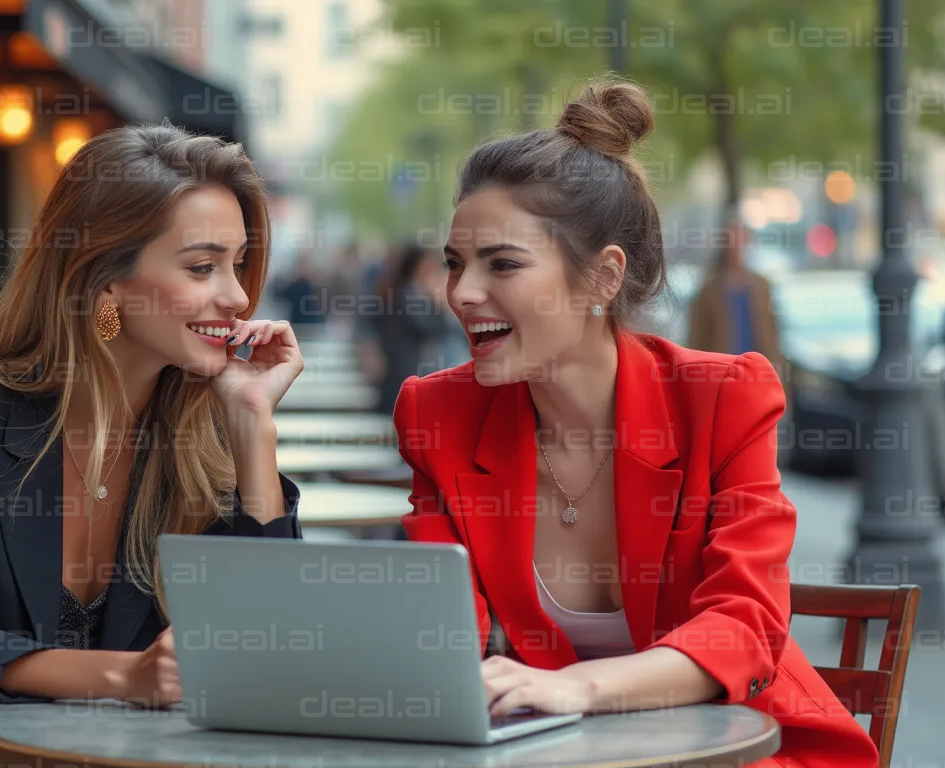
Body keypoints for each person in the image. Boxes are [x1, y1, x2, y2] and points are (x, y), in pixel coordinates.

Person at [393, 79, 877, 767]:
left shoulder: (723, 399)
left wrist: (575, 686)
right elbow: (441, 635)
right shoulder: (436, 414)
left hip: (730, 750)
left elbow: (744, 626)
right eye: (454, 264)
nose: (463, 293)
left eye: (502, 263)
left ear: (602, 278)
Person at [0, 124, 306, 768]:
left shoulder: (210, 425)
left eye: (239, 263)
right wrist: (122, 676)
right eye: (203, 267)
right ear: (105, 280)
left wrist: (254, 429)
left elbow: (267, 655)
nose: (240, 296)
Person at [686, 209, 786, 378]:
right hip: (724, 375)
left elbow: (773, 334)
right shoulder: (710, 290)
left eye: (741, 239)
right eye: (731, 240)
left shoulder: (761, 286)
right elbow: (696, 340)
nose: (736, 246)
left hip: (759, 374)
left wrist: (781, 378)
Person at [373, 243, 449, 415]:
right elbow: (432, 328)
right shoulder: (409, 294)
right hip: (405, 369)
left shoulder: (406, 292)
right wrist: (440, 306)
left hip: (402, 367)